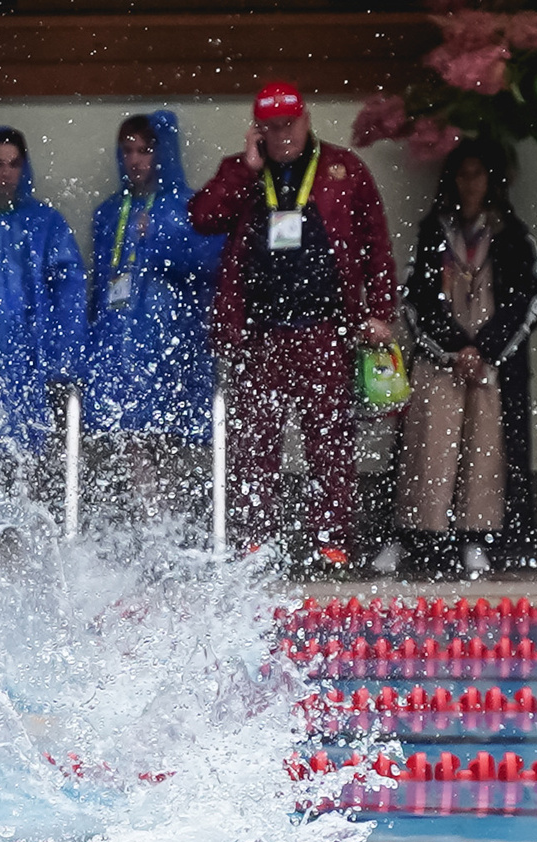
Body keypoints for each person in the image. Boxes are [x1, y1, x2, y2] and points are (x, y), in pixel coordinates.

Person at [189, 82, 397, 565]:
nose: (282, 136)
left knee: (329, 440)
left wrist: (380, 313)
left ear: (307, 120)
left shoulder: (344, 170)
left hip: (325, 329)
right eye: (271, 127)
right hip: (259, 334)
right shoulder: (243, 171)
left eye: (289, 125)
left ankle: (333, 545)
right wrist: (247, 169)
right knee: (254, 442)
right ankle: (255, 545)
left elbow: (376, 246)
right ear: (257, 129)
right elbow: (203, 217)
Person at [388, 137, 537, 578]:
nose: (470, 183)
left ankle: (479, 536)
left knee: (488, 452)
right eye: (462, 174)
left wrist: (486, 348)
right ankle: (415, 536)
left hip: (494, 366)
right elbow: (417, 300)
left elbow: (526, 301)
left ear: (492, 180)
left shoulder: (512, 235)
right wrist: (455, 347)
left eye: (478, 174)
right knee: (426, 447)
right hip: (441, 361)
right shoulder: (433, 232)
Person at [83, 112, 224, 518]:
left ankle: (171, 521)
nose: (136, 160)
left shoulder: (189, 207)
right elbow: (102, 280)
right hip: (121, 341)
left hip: (171, 339)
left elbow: (209, 264)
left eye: (145, 150)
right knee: (132, 436)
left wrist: (161, 238)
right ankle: (153, 520)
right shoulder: (109, 212)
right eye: (127, 151)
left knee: (169, 436)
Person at [0, 127, 86, 474]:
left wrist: (61, 356)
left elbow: (69, 292)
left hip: (29, 360)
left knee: (29, 457)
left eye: (14, 164)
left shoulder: (45, 223)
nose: (5, 173)